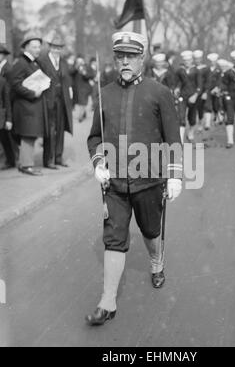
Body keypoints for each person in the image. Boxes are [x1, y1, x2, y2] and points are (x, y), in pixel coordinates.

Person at [86, 31, 183, 326]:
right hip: (114, 184)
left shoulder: (159, 92)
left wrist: (175, 176)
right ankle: (107, 302)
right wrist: (98, 163)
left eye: (131, 56)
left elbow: (173, 139)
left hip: (149, 180)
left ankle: (156, 262)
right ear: (115, 59)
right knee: (114, 239)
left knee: (151, 231)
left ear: (142, 59)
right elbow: (94, 138)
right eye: (120, 57)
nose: (125, 62)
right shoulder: (105, 93)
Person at [10, 31, 47, 176]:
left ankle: (25, 163)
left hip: (31, 107)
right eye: (34, 47)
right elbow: (15, 83)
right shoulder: (21, 62)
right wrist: (32, 93)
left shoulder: (33, 63)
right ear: (26, 47)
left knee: (30, 135)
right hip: (26, 107)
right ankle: (26, 165)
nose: (38, 49)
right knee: (28, 136)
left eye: (39, 47)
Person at [38, 31, 73, 169]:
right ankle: (48, 160)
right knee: (50, 130)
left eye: (59, 48)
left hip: (62, 101)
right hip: (48, 100)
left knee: (60, 130)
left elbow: (67, 80)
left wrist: (70, 94)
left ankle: (58, 158)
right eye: (54, 47)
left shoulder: (64, 63)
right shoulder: (43, 61)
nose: (56, 50)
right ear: (50, 47)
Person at [0, 45, 16, 169]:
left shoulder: (9, 69)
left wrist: (8, 116)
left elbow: (9, 93)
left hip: (6, 107)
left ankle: (11, 159)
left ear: (3, 55)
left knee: (8, 138)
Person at [73, 55, 93, 122]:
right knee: (81, 103)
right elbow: (70, 72)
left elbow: (91, 75)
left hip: (85, 88)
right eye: (78, 61)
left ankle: (80, 116)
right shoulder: (75, 67)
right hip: (77, 88)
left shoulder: (87, 67)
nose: (80, 62)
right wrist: (76, 67)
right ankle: (83, 113)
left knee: (83, 103)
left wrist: (85, 73)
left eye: (81, 61)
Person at [0, 73, 14, 170]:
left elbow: (7, 101)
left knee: (5, 141)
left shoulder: (2, 81)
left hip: (1, 118)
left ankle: (11, 161)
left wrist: (9, 119)